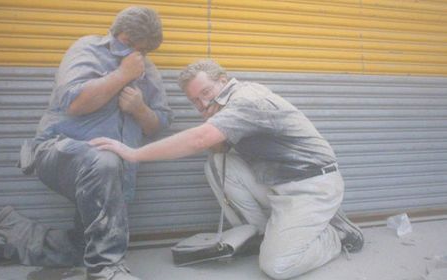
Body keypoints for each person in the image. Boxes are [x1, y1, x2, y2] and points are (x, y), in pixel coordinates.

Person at [89, 59, 364, 279]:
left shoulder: (247, 100)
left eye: (206, 93)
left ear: (224, 81)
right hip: (279, 182)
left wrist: (133, 153)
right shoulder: (226, 106)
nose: (203, 103)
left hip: (311, 185)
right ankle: (264, 233)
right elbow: (217, 149)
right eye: (195, 100)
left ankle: (335, 234)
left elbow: (198, 139)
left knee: (277, 267)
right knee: (219, 163)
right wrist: (214, 118)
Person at [0, 6, 172, 280]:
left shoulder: (147, 71)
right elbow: (75, 103)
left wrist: (141, 109)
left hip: (111, 175)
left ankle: (10, 232)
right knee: (104, 158)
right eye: (132, 46)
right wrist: (122, 75)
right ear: (121, 36)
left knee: (82, 246)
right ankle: (106, 269)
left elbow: (159, 124)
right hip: (58, 151)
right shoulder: (87, 49)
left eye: (145, 51)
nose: (138, 55)